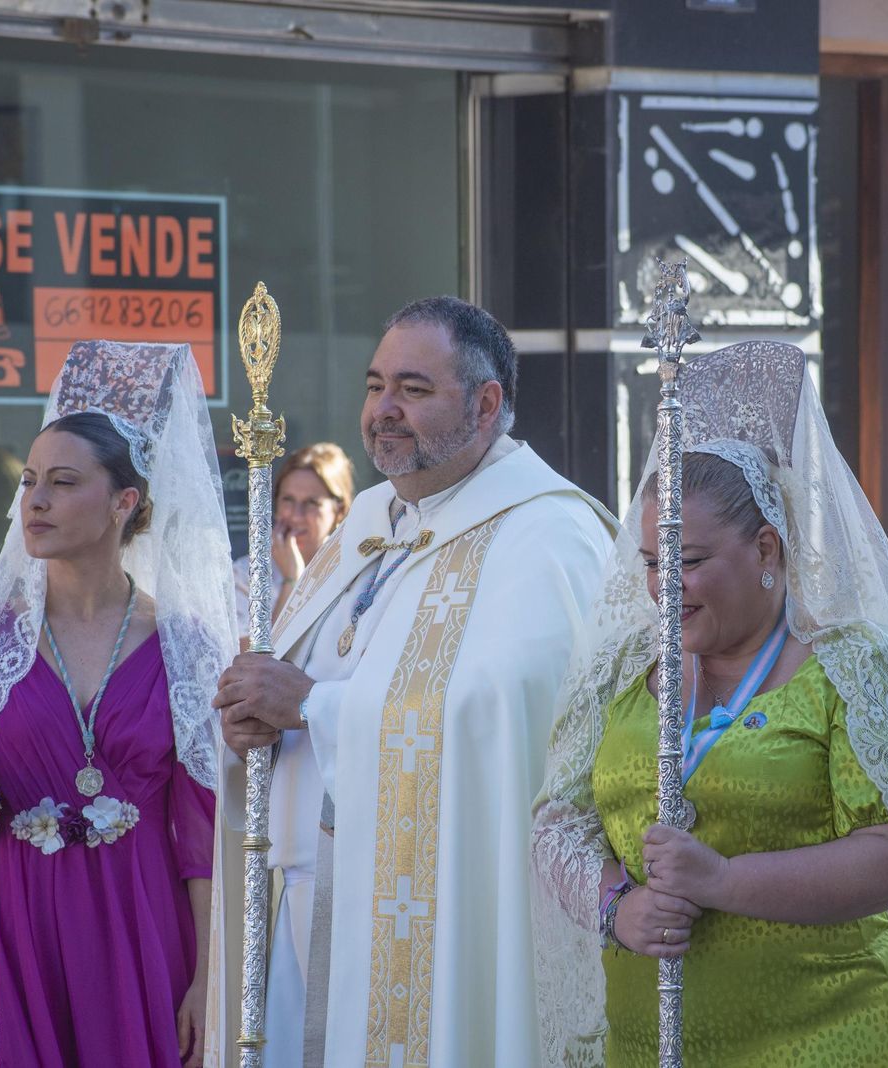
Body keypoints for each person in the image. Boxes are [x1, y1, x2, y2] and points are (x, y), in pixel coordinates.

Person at [532, 341, 888, 1067]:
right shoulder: (621, 669)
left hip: (827, 1032)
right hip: (646, 1039)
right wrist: (620, 908)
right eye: (652, 563)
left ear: (768, 550)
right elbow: (558, 820)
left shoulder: (857, 669)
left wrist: (723, 880)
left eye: (689, 562)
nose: (663, 586)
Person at [207, 296, 616, 1066]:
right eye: (373, 386)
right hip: (299, 902)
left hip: (430, 914)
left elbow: (499, 717)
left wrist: (312, 708)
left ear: (486, 403)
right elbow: (295, 672)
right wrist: (246, 717)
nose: (383, 411)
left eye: (413, 390)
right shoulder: (366, 519)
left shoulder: (547, 532)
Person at [0, 341, 237, 1067]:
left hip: (141, 933)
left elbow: (202, 839)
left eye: (62, 482)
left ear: (127, 502)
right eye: (30, 481)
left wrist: (207, 984)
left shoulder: (183, 645)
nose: (36, 500)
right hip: (13, 937)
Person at [230, 442, 355, 649]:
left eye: (312, 503)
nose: (296, 516)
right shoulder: (246, 575)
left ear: (339, 510)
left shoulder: (350, 570)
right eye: (288, 500)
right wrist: (292, 580)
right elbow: (253, 663)